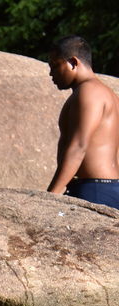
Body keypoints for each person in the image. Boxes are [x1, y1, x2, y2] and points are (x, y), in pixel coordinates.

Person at [47, 35, 119, 209]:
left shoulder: (90, 92)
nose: (51, 73)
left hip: (94, 190)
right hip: (104, 187)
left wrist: (50, 196)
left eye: (56, 65)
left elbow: (79, 146)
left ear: (73, 62)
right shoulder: (105, 93)